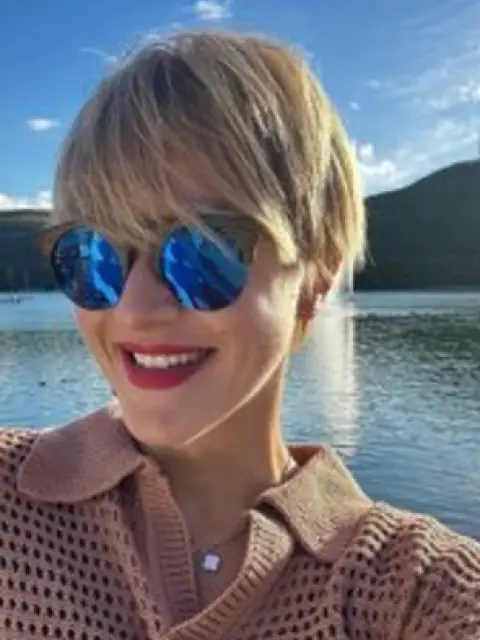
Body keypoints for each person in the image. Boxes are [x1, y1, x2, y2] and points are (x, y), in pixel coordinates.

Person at [1, 29, 479, 640]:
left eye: (202, 252)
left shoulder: (413, 592)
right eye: (93, 257)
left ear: (315, 277)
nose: (135, 309)